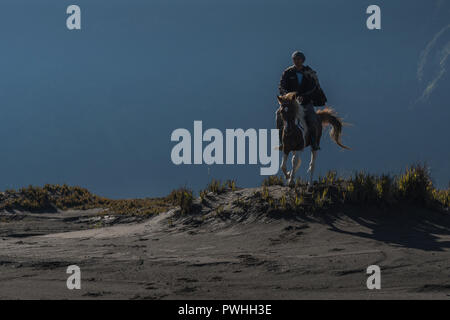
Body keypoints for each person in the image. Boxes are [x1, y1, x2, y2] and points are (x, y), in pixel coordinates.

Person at [277, 51, 326, 151]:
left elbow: (314, 88)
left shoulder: (309, 72)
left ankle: (313, 142)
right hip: (290, 102)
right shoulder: (288, 72)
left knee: (312, 119)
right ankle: (282, 142)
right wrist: (287, 95)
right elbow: (282, 86)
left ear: (303, 60)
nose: (297, 61)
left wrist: (304, 97)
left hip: (306, 102)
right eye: (295, 59)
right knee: (278, 116)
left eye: (299, 59)